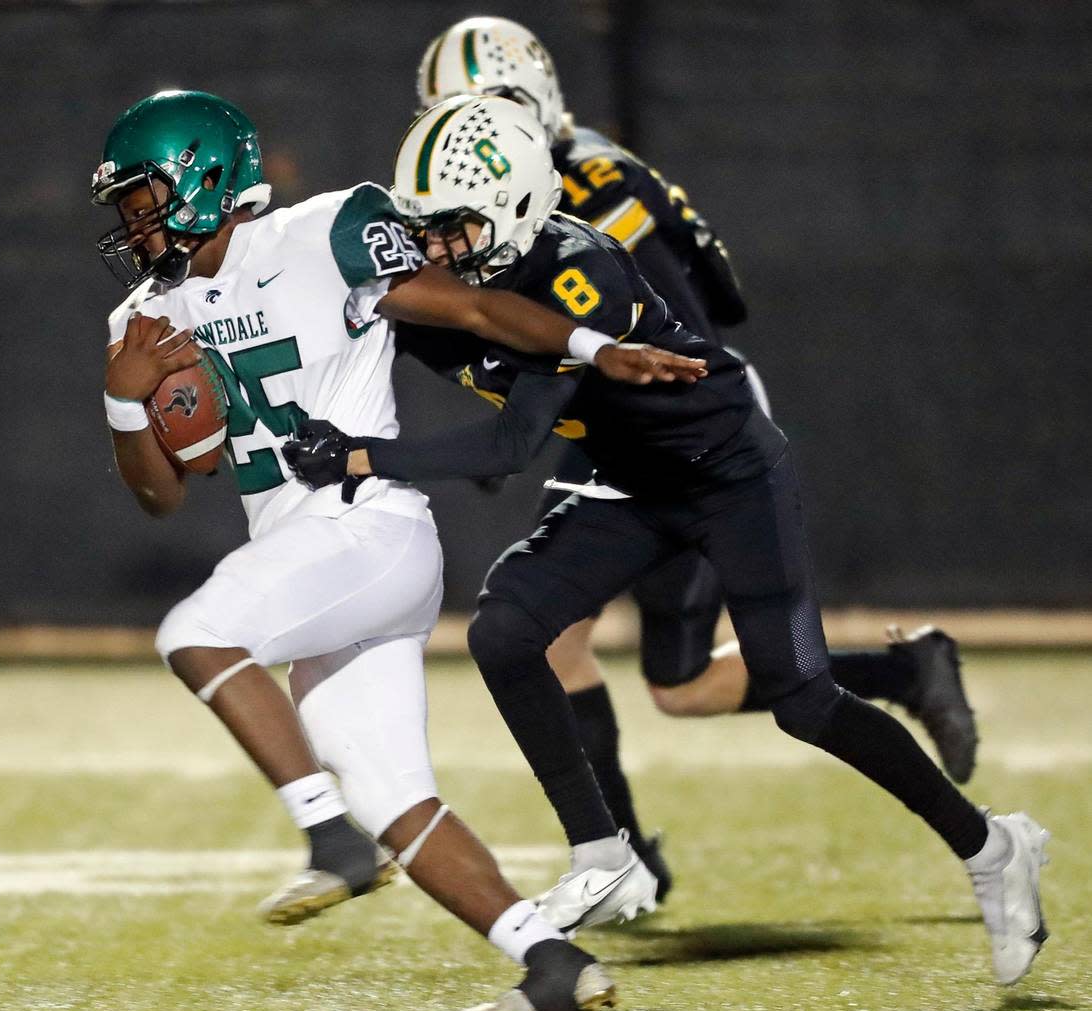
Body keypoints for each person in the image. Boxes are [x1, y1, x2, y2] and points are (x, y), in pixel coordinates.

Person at [284, 95, 1049, 986]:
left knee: (803, 700)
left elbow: (513, 443)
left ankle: (994, 847)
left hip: (729, 476)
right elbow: (357, 334)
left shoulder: (578, 271)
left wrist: (358, 459)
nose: (434, 251)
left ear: (514, 206)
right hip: (631, 487)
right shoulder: (449, 286)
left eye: (451, 229)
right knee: (505, 627)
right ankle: (602, 850)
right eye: (425, 231)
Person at [92, 89, 704, 1011]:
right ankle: (551, 964)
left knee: (197, 633)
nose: (132, 225)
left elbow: (474, 310)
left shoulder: (325, 229)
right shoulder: (140, 319)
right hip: (306, 557)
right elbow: (160, 492)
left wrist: (593, 343)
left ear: (203, 182)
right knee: (390, 792)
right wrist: (125, 402)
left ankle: (326, 837)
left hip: (367, 527)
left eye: (142, 200)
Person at [413, 16, 979, 901]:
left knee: (612, 657)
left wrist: (548, 403)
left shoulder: (585, 192)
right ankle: (899, 674)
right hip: (622, 428)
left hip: (675, 430)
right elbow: (726, 289)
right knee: (650, 673)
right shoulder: (582, 172)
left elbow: (688, 331)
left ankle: (620, 859)